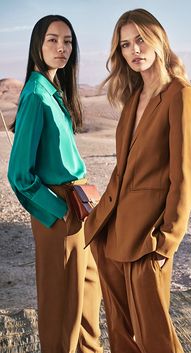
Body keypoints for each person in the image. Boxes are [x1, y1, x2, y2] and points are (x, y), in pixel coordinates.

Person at [84, 8, 191, 353]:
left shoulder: (180, 94)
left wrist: (168, 241)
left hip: (149, 238)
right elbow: (123, 169)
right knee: (120, 333)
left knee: (155, 337)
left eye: (139, 40)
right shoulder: (134, 97)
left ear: (158, 39)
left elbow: (184, 176)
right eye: (124, 45)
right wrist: (98, 220)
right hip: (111, 231)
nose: (133, 50)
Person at [8, 15, 102, 353]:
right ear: (37, 44)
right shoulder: (35, 94)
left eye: (68, 42)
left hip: (79, 204)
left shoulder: (53, 90)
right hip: (60, 211)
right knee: (63, 309)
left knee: (88, 299)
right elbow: (19, 174)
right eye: (53, 40)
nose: (62, 48)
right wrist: (59, 211)